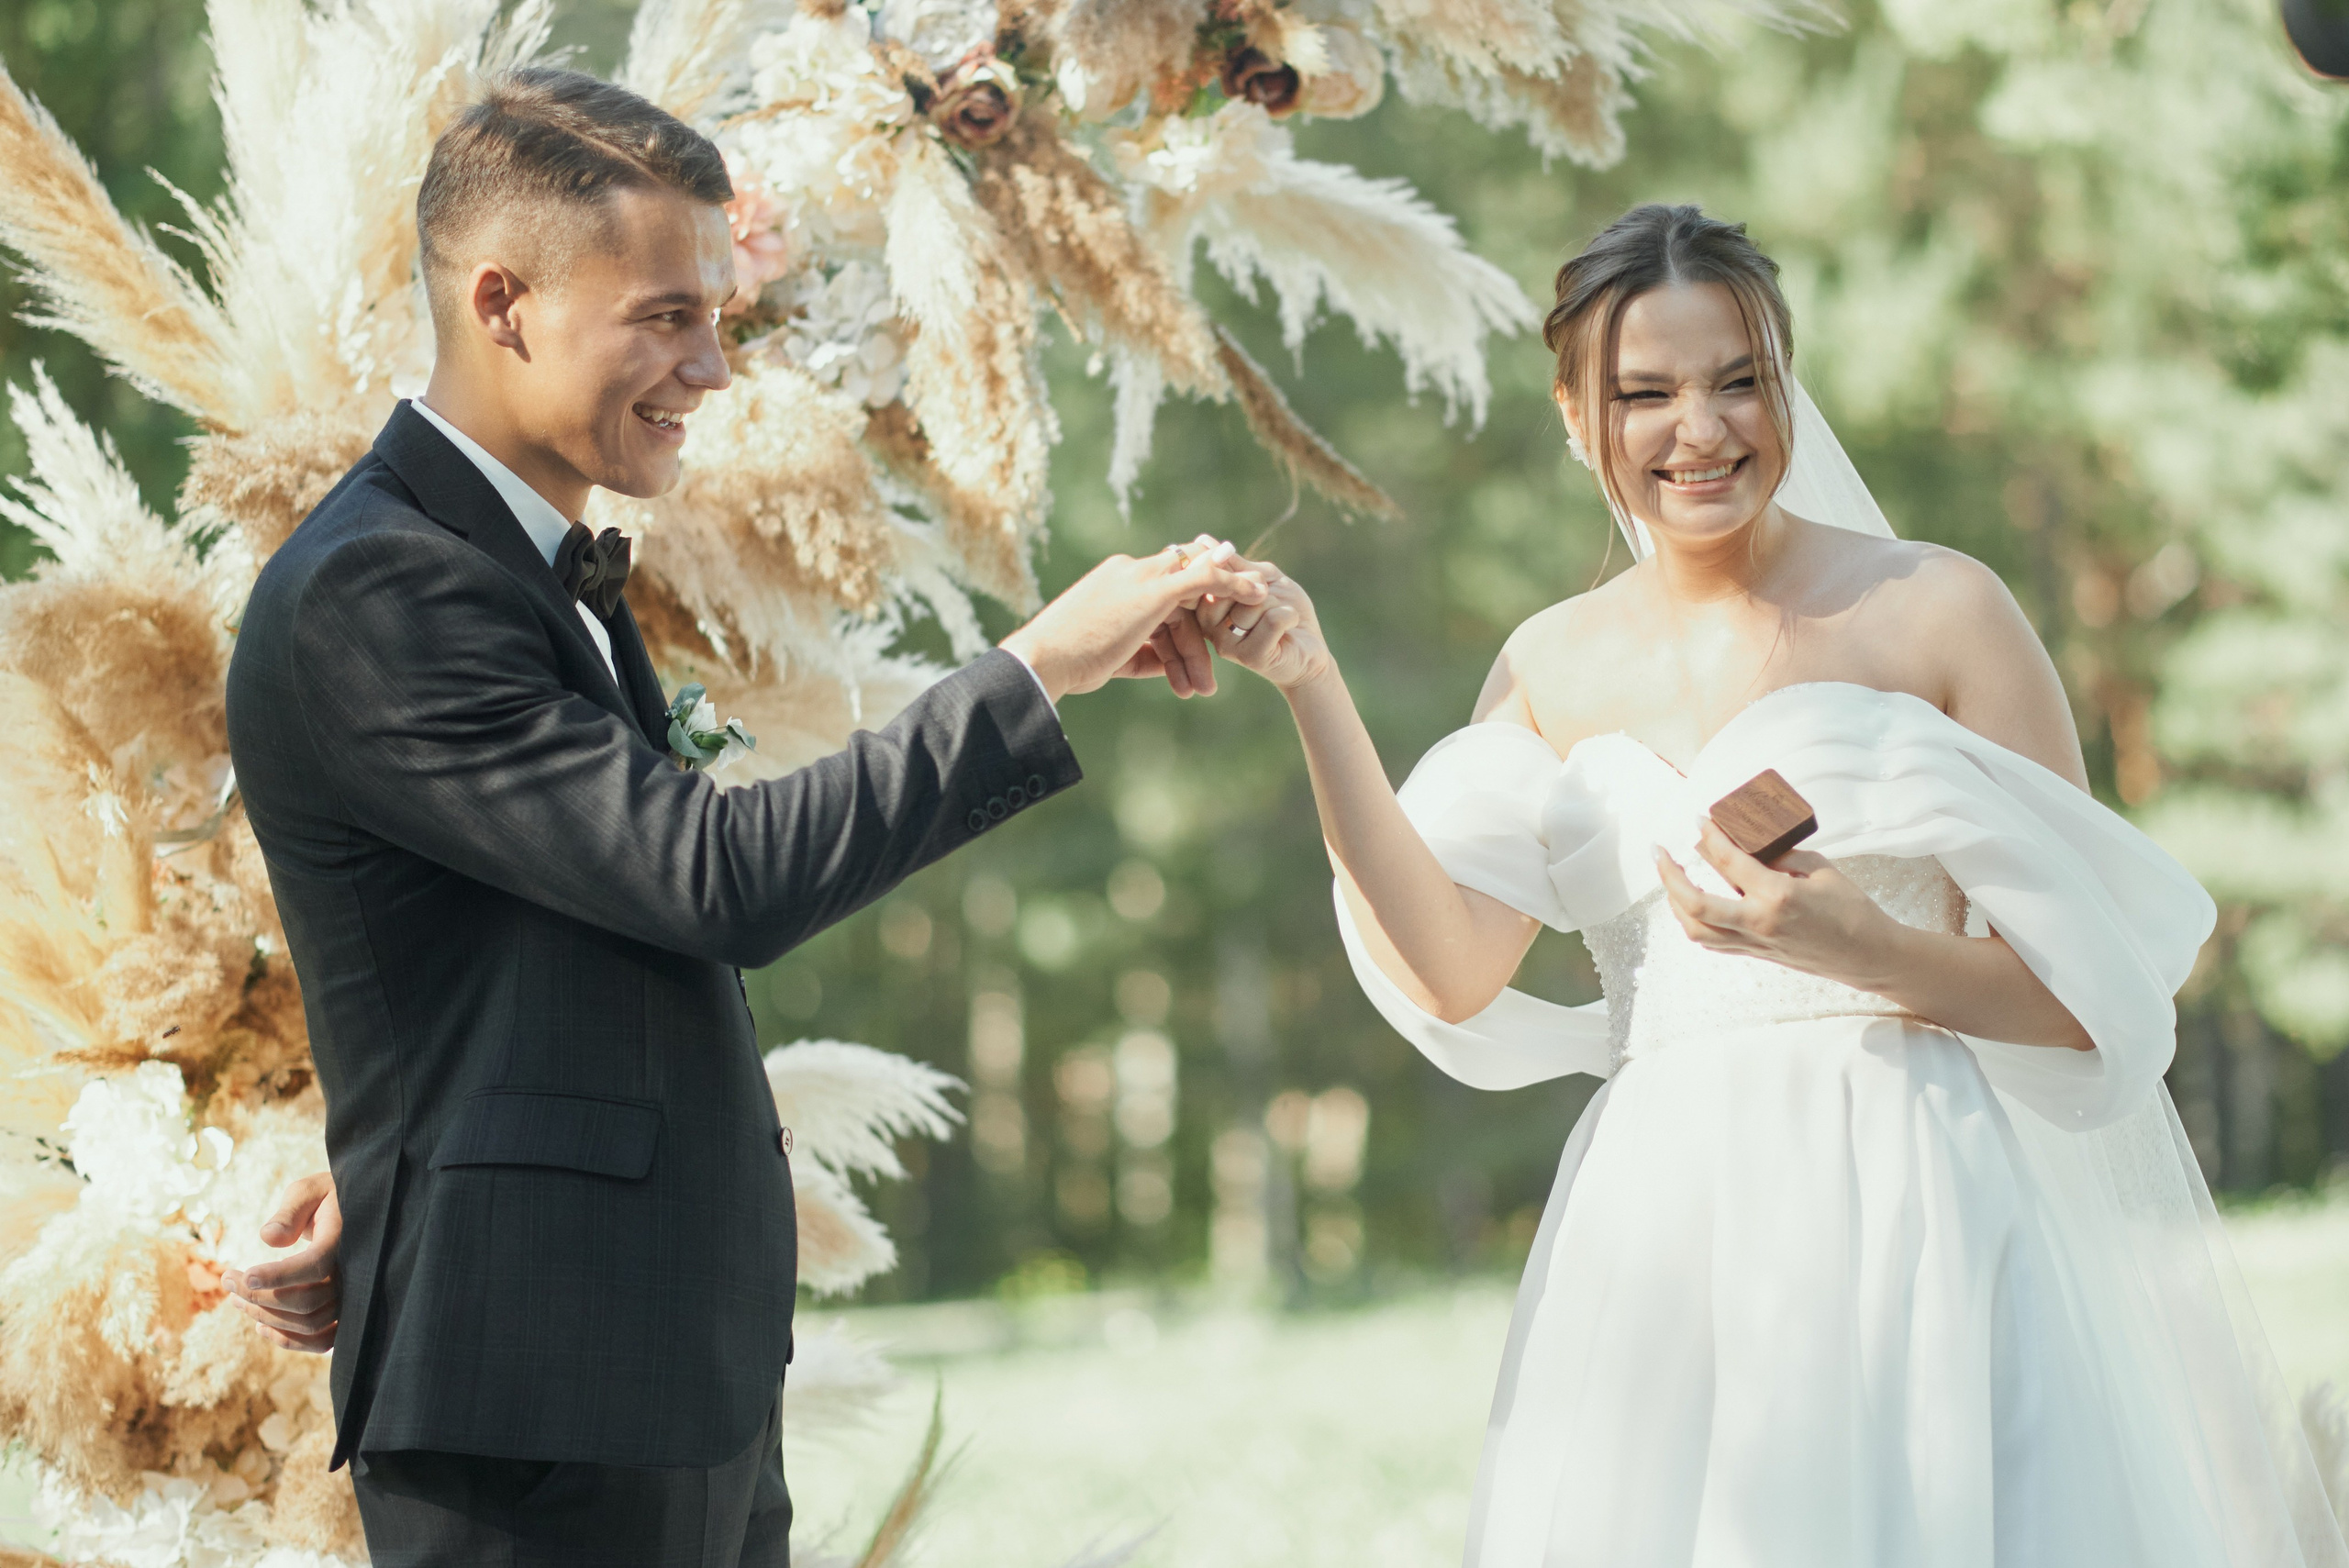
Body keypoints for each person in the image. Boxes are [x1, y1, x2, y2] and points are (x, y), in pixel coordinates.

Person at [219, 66, 1266, 1568]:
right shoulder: (380, 588)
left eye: (717, 315)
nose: (711, 367)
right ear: (503, 302)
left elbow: (516, 967)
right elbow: (714, 878)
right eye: (667, 317)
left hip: (648, 1384)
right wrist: (1040, 667)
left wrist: (377, 1171)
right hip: (538, 1411)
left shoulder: (527, 564)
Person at [1201, 205, 2349, 1566]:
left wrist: (1861, 945)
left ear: (1786, 384)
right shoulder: (1548, 665)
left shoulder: (1941, 610)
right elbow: (1449, 969)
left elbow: (2097, 1003)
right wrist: (1311, 684)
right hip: (1662, 1238)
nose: (1701, 429)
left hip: (1921, 1201)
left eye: (1738, 380)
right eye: (1645, 393)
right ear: (1576, 415)